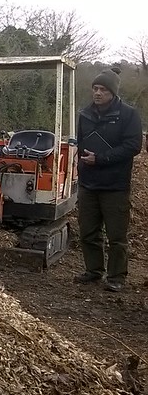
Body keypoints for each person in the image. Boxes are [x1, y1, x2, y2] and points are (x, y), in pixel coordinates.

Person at [74, 68, 142, 292]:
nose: (97, 93)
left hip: (115, 186)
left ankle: (116, 277)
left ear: (112, 92)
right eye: (95, 88)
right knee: (88, 232)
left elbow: (134, 146)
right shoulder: (84, 114)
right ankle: (93, 271)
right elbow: (81, 144)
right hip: (88, 184)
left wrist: (101, 158)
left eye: (103, 89)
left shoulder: (128, 115)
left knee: (116, 236)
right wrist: (81, 168)